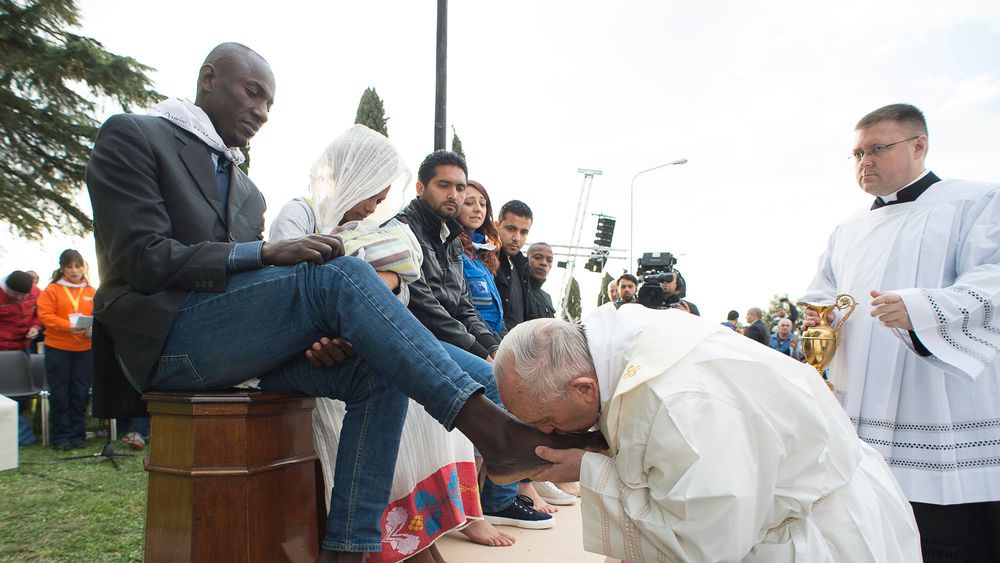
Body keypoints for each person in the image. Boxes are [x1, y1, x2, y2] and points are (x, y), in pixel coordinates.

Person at [86, 43, 603, 562]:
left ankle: (349, 550)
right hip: (169, 342)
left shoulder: (246, 190)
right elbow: (141, 259)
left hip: (233, 346)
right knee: (339, 275)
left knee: (376, 372)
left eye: (270, 101)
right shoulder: (134, 136)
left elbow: (252, 297)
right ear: (208, 78)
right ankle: (492, 432)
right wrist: (265, 251)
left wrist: (316, 337)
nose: (263, 111)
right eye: (252, 93)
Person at [494, 308, 922, 562]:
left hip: (816, 537)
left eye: (546, 419)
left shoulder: (677, 401)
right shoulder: (616, 342)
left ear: (584, 388)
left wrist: (588, 470)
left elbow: (706, 540)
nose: (545, 431)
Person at [800, 103, 1000, 561]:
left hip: (938, 403)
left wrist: (923, 310)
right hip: (864, 404)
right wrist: (819, 318)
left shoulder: (977, 201)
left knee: (942, 536)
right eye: (856, 154)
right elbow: (822, 293)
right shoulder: (847, 230)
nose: (864, 162)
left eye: (877, 149)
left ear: (919, 145)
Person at [395, 153, 556, 530]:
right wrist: (479, 349)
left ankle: (508, 493)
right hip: (418, 336)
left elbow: (464, 306)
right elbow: (423, 304)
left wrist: (496, 347)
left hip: (448, 336)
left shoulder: (451, 238)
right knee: (501, 385)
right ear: (421, 188)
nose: (454, 194)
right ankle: (498, 500)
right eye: (444, 185)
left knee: (514, 374)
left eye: (460, 186)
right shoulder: (404, 228)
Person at [36, 249, 96, 451]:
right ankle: (61, 436)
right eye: (69, 266)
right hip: (58, 348)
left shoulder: (91, 292)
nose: (74, 270)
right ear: (62, 268)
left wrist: (92, 330)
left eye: (77, 266)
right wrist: (67, 326)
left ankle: (78, 435)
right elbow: (45, 316)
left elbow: (100, 316)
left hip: (84, 349)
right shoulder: (52, 290)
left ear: (83, 268)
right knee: (60, 393)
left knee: (79, 392)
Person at [458, 180, 504, 336]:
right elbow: (465, 308)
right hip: (471, 336)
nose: (478, 209)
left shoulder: (484, 251)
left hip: (492, 335)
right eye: (469, 203)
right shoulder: (452, 249)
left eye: (483, 204)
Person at [494, 200, 532, 331]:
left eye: (523, 232)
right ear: (496, 226)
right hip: (494, 344)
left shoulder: (522, 268)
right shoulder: (486, 260)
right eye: (511, 229)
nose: (517, 237)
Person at [0, 270, 41, 352]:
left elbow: (41, 312)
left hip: (25, 344)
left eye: (24, 295)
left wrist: (35, 326)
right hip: (3, 347)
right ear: (6, 288)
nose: (19, 298)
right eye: (15, 294)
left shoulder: (36, 292)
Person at [524, 242, 555, 321]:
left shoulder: (547, 297)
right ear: (527, 259)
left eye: (549, 260)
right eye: (537, 257)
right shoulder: (518, 289)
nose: (544, 263)